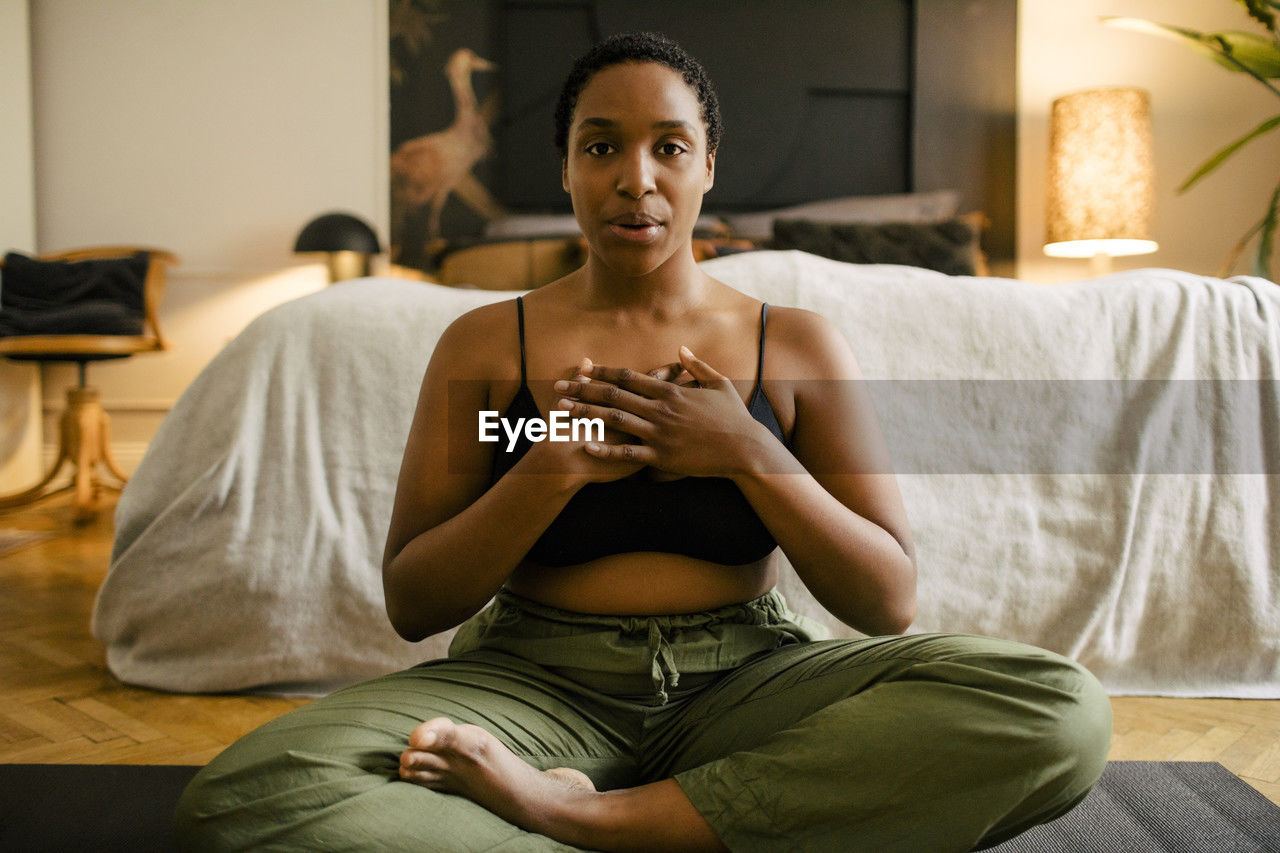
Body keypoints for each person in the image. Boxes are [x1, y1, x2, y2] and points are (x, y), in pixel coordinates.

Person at [175, 32, 1111, 852]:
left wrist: (746, 450)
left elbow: (887, 599)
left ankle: (584, 820)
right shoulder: (488, 344)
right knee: (250, 795)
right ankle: (692, 826)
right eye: (601, 147)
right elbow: (415, 601)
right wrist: (547, 467)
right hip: (531, 683)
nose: (636, 178)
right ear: (568, 170)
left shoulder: (794, 342)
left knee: (1058, 713)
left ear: (708, 166)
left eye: (669, 147)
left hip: (750, 681)